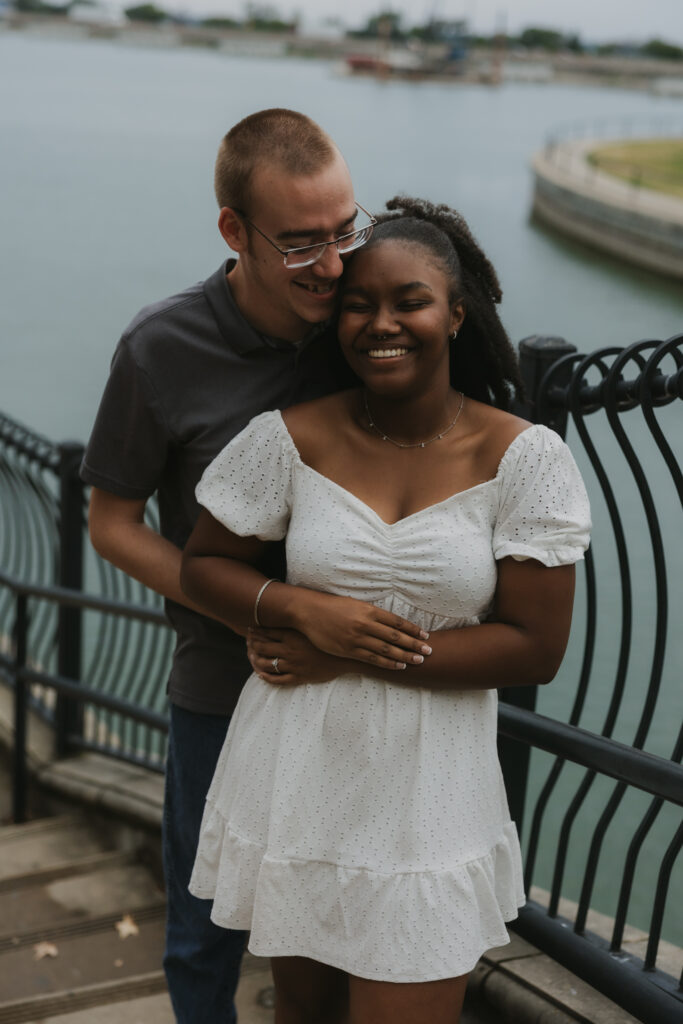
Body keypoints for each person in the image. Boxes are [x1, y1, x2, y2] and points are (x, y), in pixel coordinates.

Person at [180, 195, 592, 1024]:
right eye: (358, 304)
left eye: (409, 302)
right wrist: (293, 604)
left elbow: (533, 649)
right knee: (302, 1012)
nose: (381, 323)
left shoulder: (523, 458)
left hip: (429, 795)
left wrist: (348, 652)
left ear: (455, 313)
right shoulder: (290, 438)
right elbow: (204, 568)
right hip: (295, 770)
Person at [79, 108, 381, 1024]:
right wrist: (258, 609)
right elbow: (112, 523)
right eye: (298, 245)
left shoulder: (369, 318)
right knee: (206, 926)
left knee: (351, 917)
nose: (332, 268)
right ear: (231, 232)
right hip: (221, 681)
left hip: (365, 687)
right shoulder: (159, 347)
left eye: (344, 232)